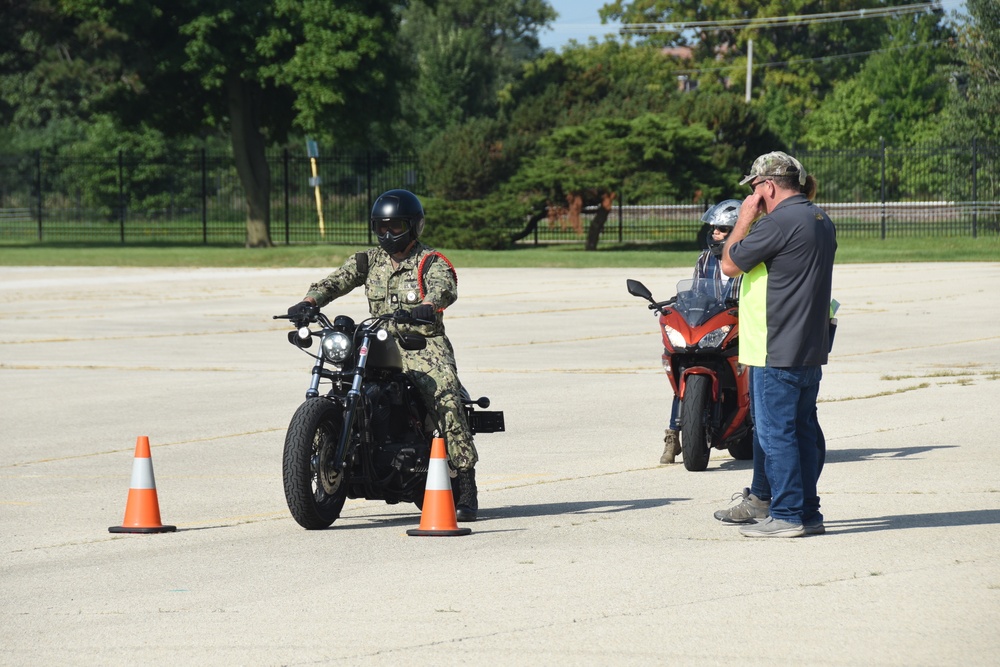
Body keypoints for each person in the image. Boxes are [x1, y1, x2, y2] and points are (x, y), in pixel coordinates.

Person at [285, 189, 481, 521]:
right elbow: (336, 281)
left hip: (421, 343)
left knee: (445, 395)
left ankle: (465, 481)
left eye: (395, 227)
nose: (388, 234)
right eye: (382, 228)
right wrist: (309, 302)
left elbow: (443, 288)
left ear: (413, 227)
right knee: (339, 373)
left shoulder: (430, 261)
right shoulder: (367, 260)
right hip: (376, 342)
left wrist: (429, 306)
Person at [717, 151, 836, 538]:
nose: (753, 195)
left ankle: (785, 515)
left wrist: (745, 219)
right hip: (808, 346)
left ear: (768, 185)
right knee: (801, 431)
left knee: (774, 434)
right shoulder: (820, 219)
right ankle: (806, 512)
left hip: (775, 346)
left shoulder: (779, 222)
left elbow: (729, 263)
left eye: (754, 188)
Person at [660, 200, 743, 464]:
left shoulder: (749, 258)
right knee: (684, 361)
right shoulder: (705, 259)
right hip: (711, 324)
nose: (715, 233)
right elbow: (697, 293)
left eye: (722, 229)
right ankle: (674, 432)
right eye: (714, 228)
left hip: (740, 327)